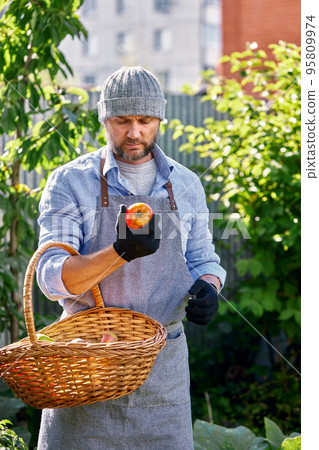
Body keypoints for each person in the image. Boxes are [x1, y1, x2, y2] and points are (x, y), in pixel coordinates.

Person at [36, 66, 226, 450]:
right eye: (122, 120)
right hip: (88, 366)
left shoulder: (186, 184)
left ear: (160, 119)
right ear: (105, 118)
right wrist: (119, 252)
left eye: (145, 120)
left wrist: (210, 288)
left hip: (162, 372)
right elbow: (51, 277)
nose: (134, 132)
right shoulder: (70, 181)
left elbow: (204, 257)